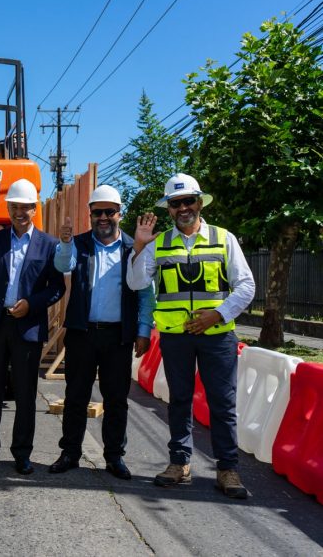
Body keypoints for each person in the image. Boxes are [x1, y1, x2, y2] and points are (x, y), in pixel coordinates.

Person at [127, 173, 255, 498]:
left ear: (199, 202)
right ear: (168, 209)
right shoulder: (158, 244)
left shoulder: (224, 238)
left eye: (188, 201)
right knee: (180, 401)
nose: (183, 208)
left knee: (222, 404)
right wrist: (140, 246)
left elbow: (247, 286)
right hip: (176, 337)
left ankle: (228, 469)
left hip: (217, 335)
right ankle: (179, 462)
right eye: (175, 203)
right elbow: (136, 283)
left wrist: (218, 314)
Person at [48, 185, 154, 480]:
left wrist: (143, 330)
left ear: (121, 214)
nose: (104, 217)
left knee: (116, 398)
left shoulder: (135, 248)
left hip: (118, 337)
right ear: (90, 215)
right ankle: (70, 452)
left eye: (110, 212)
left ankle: (114, 456)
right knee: (76, 396)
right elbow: (62, 265)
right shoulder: (78, 245)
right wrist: (66, 242)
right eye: (98, 212)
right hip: (83, 333)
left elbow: (146, 293)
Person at [0, 179, 65, 475]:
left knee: (24, 395)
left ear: (34, 209)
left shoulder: (49, 245)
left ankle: (22, 454)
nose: (21, 212)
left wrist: (31, 304)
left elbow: (56, 289)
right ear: (8, 208)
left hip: (27, 327)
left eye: (26, 207)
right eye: (15, 207)